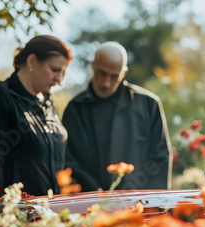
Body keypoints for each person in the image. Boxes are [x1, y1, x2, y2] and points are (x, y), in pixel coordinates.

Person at [62, 41, 172, 191]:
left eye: (114, 76)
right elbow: (67, 160)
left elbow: (160, 158)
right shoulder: (75, 108)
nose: (106, 83)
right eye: (102, 73)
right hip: (89, 206)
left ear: (124, 73)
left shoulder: (149, 105)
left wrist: (152, 204)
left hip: (138, 206)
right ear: (93, 66)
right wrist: (95, 195)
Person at [0, 35, 72, 196]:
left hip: (52, 210)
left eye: (63, 73)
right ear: (32, 61)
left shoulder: (48, 102)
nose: (59, 80)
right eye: (54, 70)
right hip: (17, 212)